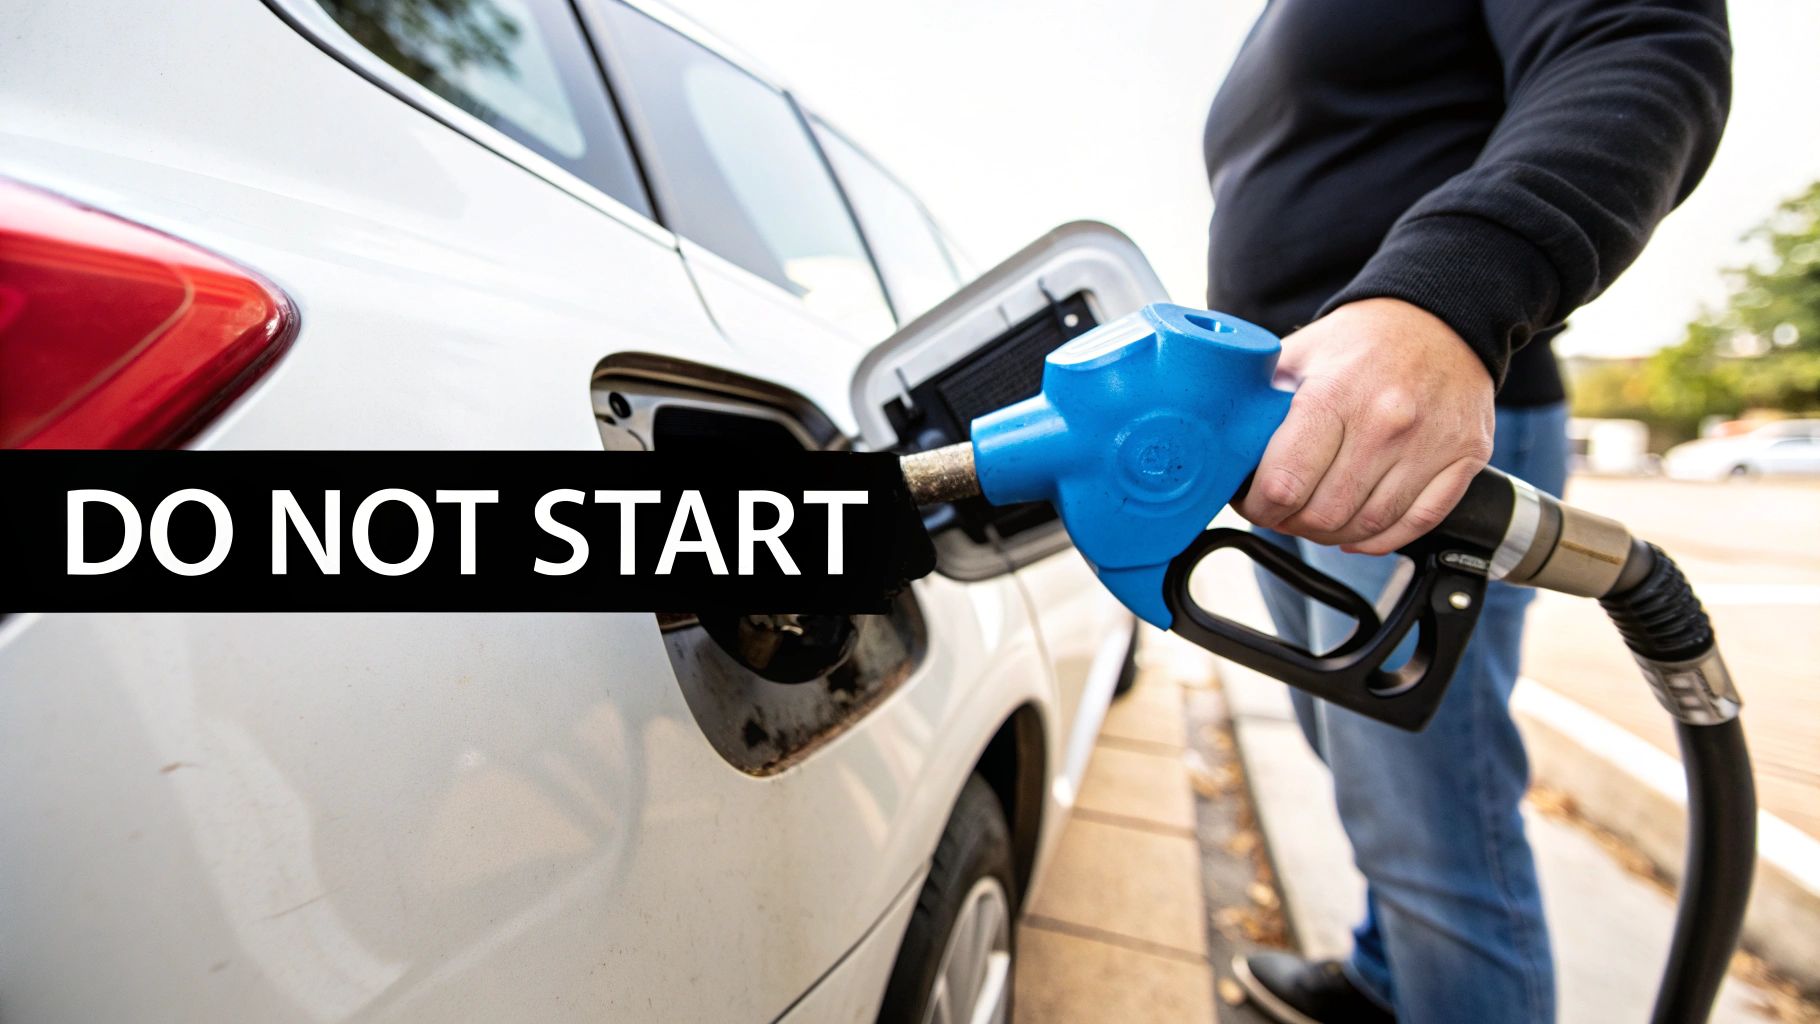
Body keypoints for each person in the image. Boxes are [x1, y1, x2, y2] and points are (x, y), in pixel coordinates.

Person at [1202, 1, 1731, 1021]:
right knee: (1359, 760)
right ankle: (1386, 977)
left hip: (1415, 427)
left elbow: (1639, 41)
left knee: (1430, 822)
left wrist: (1447, 292)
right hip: (1295, 434)